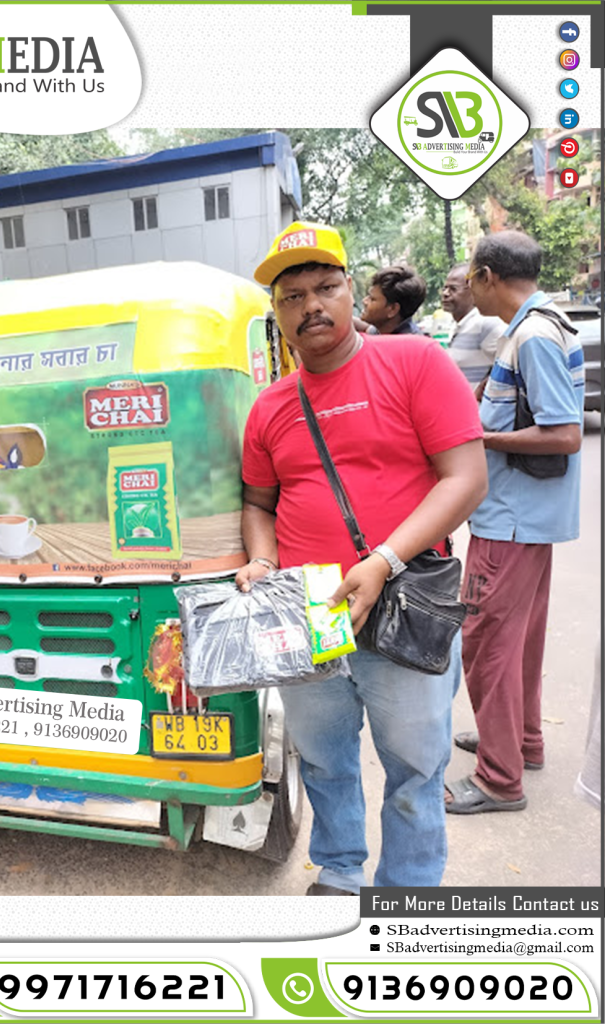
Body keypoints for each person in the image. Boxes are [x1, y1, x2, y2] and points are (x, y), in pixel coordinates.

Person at [239, 221, 487, 893]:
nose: (311, 305)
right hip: (309, 608)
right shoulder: (268, 409)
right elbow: (260, 505)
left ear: (352, 292)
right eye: (293, 296)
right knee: (323, 759)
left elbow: (465, 478)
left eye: (326, 287)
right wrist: (261, 564)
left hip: (404, 599)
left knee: (414, 768)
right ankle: (342, 872)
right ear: (278, 314)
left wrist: (382, 560)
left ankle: (408, 890)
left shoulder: (415, 363)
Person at [445, 231, 583, 815]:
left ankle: (499, 779)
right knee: (517, 642)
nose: (464, 287)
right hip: (523, 518)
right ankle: (519, 742)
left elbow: (565, 434)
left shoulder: (532, 335)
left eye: (468, 277)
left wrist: (480, 436)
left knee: (485, 644)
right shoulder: (532, 325)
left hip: (511, 521)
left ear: (487, 276)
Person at [440, 263, 505, 389]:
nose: (445, 294)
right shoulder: (460, 325)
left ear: (472, 290)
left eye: (453, 289)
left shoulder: (485, 323)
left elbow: (513, 362)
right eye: (444, 288)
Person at [357, 265, 428, 336]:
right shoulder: (383, 332)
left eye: (372, 299)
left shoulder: (407, 345)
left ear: (393, 309)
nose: (364, 301)